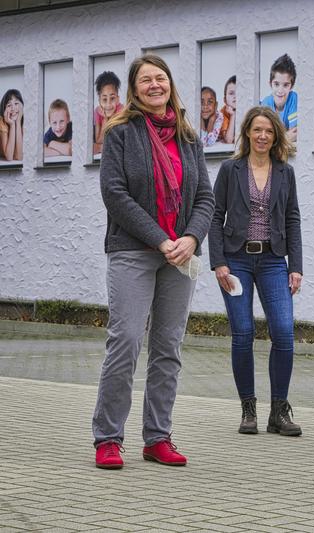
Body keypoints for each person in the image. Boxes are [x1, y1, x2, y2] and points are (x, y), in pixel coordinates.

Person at [92, 53, 214, 469]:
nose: (154, 85)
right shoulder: (121, 133)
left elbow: (205, 198)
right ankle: (108, 438)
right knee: (125, 341)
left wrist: (192, 237)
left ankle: (157, 437)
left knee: (168, 347)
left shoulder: (189, 137)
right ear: (135, 89)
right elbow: (115, 194)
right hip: (132, 252)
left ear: (169, 85)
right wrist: (162, 239)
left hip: (181, 255)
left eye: (159, 78)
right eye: (145, 80)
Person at [208, 106, 303, 437]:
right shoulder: (229, 169)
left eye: (269, 131)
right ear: (247, 132)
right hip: (236, 260)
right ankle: (248, 408)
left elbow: (293, 218)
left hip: (274, 261)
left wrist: (297, 267)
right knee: (243, 333)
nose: (263, 136)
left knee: (284, 333)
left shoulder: (284, 172)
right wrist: (218, 262)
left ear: (275, 135)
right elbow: (215, 215)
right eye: (257, 130)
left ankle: (279, 411)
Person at [260, 54, 298, 143]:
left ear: (291, 86)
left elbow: (295, 133)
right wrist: (284, 138)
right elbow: (264, 137)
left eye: (285, 85)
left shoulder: (293, 98)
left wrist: (275, 140)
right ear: (270, 84)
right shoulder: (265, 104)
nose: (280, 91)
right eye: (276, 84)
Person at [93, 71, 123, 155]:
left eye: (112, 98)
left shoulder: (121, 110)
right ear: (99, 100)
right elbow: (99, 140)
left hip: (118, 147)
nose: (108, 104)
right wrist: (105, 119)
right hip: (106, 147)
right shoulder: (97, 112)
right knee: (92, 147)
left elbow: (118, 138)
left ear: (117, 99)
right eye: (104, 99)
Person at [0, 88, 23, 162]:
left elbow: (19, 156)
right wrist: (12, 125)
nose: (13, 108)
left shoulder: (24, 120)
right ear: (4, 108)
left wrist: (18, 122)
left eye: (16, 103)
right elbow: (9, 157)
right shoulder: (2, 122)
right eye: (9, 105)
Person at [219, 75, 237, 144]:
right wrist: (233, 116)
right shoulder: (222, 114)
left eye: (239, 92)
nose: (235, 96)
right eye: (231, 93)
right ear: (225, 100)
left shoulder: (246, 110)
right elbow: (229, 140)